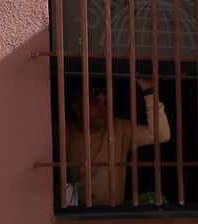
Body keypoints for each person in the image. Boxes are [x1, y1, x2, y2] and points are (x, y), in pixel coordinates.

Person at [64, 76, 171, 206]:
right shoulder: (61, 134)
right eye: (94, 102)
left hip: (112, 214)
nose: (103, 108)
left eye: (106, 102)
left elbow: (160, 134)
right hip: (72, 215)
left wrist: (149, 91)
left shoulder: (119, 128)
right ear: (76, 108)